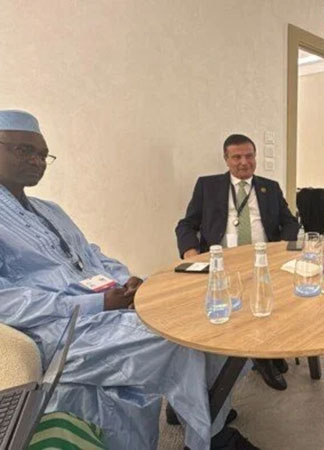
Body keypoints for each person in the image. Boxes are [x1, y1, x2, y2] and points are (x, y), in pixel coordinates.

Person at [0, 110, 255, 449]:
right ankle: (211, 439)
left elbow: (90, 254)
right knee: (183, 337)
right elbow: (7, 301)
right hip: (62, 328)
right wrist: (97, 303)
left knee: (214, 307)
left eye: (43, 154)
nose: (36, 161)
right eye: (23, 150)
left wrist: (126, 279)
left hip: (111, 302)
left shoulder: (50, 209)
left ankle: (197, 404)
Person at [176, 133, 298, 391]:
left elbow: (290, 222)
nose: (244, 162)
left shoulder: (270, 187)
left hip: (263, 260)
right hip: (223, 262)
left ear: (255, 157)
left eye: (249, 156)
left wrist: (279, 249)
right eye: (237, 157)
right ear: (226, 159)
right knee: (234, 305)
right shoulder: (207, 186)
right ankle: (259, 358)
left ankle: (266, 350)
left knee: (269, 302)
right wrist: (190, 252)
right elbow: (186, 224)